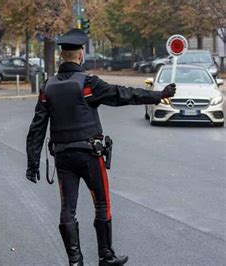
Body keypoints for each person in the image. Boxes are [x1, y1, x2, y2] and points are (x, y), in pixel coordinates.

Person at [25, 29, 176, 266]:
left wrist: (32, 162)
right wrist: (158, 96)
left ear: (62, 55)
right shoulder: (88, 84)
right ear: (80, 54)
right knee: (102, 203)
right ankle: (106, 256)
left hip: (63, 157)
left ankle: (75, 262)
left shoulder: (48, 87)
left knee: (68, 208)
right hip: (89, 154)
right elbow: (122, 94)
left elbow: (37, 127)